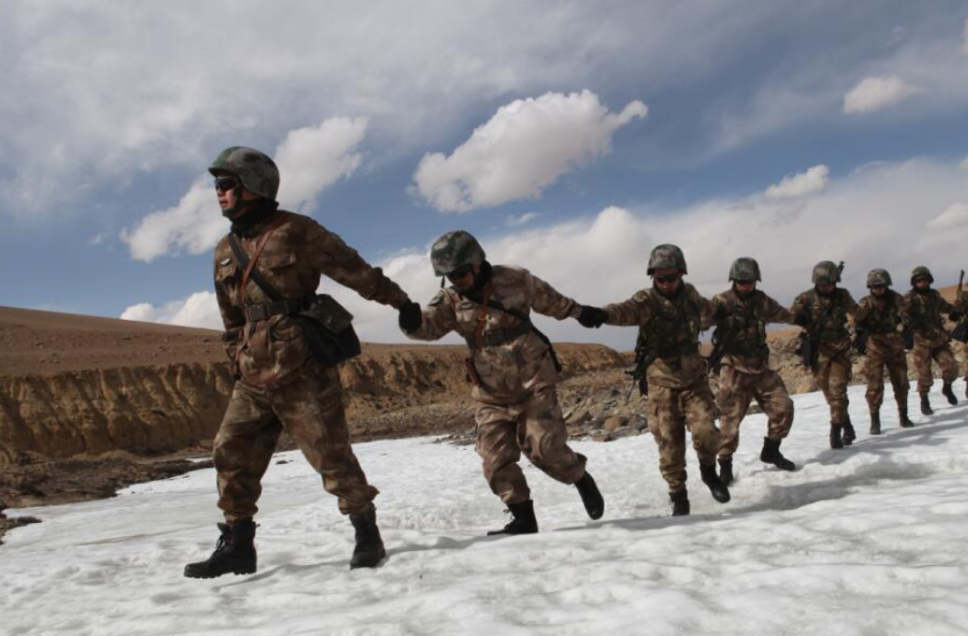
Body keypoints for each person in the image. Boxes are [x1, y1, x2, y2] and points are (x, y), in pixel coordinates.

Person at [184, 146, 422, 579]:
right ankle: (238, 544)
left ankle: (366, 532)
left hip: (301, 367)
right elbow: (230, 318)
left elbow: (353, 269)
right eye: (216, 187)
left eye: (226, 185)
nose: (218, 194)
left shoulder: (297, 230)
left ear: (253, 186)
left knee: (331, 456)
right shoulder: (224, 250)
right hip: (252, 374)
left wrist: (401, 302)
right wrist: (236, 358)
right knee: (229, 452)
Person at [401, 230, 605, 534]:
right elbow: (429, 327)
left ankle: (579, 477)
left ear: (476, 262)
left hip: (533, 379)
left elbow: (552, 301)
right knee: (494, 459)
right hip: (489, 390)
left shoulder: (516, 279)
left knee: (544, 448)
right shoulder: (450, 299)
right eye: (448, 276)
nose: (456, 281)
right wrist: (411, 323)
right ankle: (523, 517)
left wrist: (580, 313)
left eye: (459, 273)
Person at [598, 244, 729, 516]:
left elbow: (709, 313)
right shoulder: (646, 301)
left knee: (706, 430)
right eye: (660, 279)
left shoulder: (691, 295)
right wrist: (600, 315)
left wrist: (726, 314)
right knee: (669, 445)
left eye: (672, 278)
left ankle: (709, 472)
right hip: (661, 382)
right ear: (652, 277)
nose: (667, 284)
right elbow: (624, 311)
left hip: (694, 379)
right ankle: (678, 495)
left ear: (681, 274)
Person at [709, 257, 797, 480]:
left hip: (760, 367)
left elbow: (782, 314)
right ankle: (725, 466)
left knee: (783, 408)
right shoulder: (721, 301)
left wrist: (801, 317)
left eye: (749, 282)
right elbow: (700, 321)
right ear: (734, 280)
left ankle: (771, 451)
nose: (745, 286)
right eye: (741, 282)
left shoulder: (761, 300)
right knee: (729, 421)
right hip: (734, 368)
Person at [791, 261, 859, 449]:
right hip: (818, 352)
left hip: (840, 350)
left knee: (838, 391)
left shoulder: (842, 295)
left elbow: (857, 312)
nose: (827, 288)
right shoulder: (805, 298)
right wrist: (800, 317)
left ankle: (835, 431)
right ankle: (847, 424)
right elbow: (791, 315)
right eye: (823, 285)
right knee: (830, 394)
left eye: (830, 284)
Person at [853, 269, 914, 435]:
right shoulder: (866, 302)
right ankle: (875, 420)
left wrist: (907, 329)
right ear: (870, 287)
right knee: (875, 385)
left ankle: (903, 415)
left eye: (881, 286)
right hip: (875, 346)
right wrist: (860, 333)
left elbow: (906, 315)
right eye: (875, 287)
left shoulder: (896, 298)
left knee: (901, 382)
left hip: (895, 345)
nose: (879, 290)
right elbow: (858, 319)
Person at [902, 265, 959, 416]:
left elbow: (945, 307)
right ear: (914, 282)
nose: (922, 283)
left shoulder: (934, 295)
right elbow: (902, 314)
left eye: (925, 280)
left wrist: (955, 311)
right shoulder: (909, 298)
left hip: (938, 338)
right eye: (919, 281)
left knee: (951, 367)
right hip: (921, 341)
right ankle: (924, 399)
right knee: (924, 374)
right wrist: (910, 323)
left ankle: (947, 388)